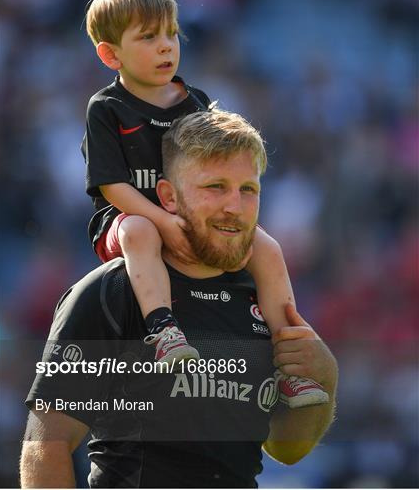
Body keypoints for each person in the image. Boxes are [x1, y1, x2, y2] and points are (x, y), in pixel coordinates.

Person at [21, 110, 338, 488]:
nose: (233, 206)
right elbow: (45, 447)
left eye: (247, 189)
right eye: (215, 187)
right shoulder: (113, 292)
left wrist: (326, 379)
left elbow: (287, 449)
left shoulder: (263, 297)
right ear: (169, 197)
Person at [82, 0, 327, 407]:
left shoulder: (195, 102)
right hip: (128, 220)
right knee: (141, 231)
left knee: (266, 247)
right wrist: (164, 221)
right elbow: (111, 185)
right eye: (148, 37)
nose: (166, 46)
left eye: (172, 33)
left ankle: (291, 364)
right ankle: (163, 330)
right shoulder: (106, 109)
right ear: (110, 54)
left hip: (189, 218)